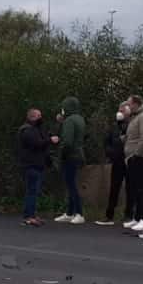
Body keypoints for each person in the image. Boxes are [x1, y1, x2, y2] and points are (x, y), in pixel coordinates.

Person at [15, 107, 57, 227]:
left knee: (33, 191)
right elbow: (37, 143)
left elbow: (42, 140)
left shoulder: (35, 129)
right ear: (31, 117)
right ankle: (28, 217)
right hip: (30, 165)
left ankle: (31, 214)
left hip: (37, 164)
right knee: (32, 191)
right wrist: (50, 140)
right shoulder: (27, 130)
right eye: (38, 116)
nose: (41, 118)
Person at [122, 95, 143, 233]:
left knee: (142, 188)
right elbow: (133, 135)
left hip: (141, 157)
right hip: (133, 157)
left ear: (136, 104)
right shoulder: (136, 117)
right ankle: (137, 218)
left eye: (129, 104)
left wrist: (136, 154)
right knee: (135, 188)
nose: (128, 107)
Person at [55, 96, 87, 224]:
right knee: (71, 183)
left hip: (70, 156)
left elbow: (67, 141)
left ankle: (79, 213)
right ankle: (69, 212)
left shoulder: (69, 121)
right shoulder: (79, 119)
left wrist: (61, 153)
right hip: (78, 154)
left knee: (71, 184)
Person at [96, 103, 129, 226]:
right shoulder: (114, 126)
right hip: (117, 160)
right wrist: (110, 152)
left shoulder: (131, 124)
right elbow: (106, 141)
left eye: (122, 110)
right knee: (114, 188)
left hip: (129, 160)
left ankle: (129, 216)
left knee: (131, 188)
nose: (119, 112)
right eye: (119, 110)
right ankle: (109, 216)